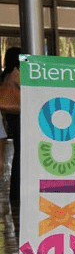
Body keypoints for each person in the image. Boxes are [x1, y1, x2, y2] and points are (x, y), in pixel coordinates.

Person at [1, 47, 21, 203]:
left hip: (11, 117)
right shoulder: (16, 74)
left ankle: (15, 191)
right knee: (21, 155)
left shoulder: (5, 75)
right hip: (19, 115)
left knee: (18, 154)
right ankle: (18, 190)